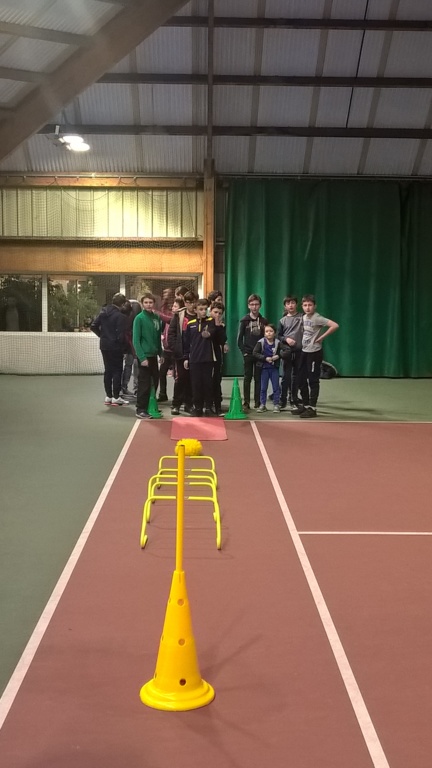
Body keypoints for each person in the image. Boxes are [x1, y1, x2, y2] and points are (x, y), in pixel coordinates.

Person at [297, 294, 339, 419]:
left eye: (310, 305)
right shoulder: (303, 317)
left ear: (314, 306)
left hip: (314, 353)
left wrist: (321, 337)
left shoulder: (317, 318)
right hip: (304, 351)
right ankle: (305, 405)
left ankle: (312, 408)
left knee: (313, 380)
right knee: (301, 378)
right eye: (305, 305)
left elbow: (335, 325)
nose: (307, 307)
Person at [183, 298, 223, 417]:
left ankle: (208, 408)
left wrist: (214, 329)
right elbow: (186, 342)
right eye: (201, 309)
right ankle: (197, 408)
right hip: (194, 359)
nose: (203, 311)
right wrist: (186, 357)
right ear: (195, 310)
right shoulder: (190, 324)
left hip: (208, 359)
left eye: (205, 309)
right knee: (196, 385)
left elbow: (217, 337)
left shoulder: (211, 322)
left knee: (208, 384)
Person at [90, 292, 130, 406]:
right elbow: (121, 335)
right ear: (122, 304)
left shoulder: (103, 312)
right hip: (116, 346)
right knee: (117, 370)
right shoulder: (121, 316)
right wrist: (124, 349)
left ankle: (108, 396)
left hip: (104, 345)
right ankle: (116, 397)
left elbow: (93, 326)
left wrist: (102, 336)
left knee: (108, 370)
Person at [132, 293, 164, 420]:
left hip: (154, 356)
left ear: (154, 303)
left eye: (151, 302)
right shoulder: (139, 318)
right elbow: (136, 340)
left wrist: (160, 353)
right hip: (144, 357)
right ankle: (140, 409)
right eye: (146, 302)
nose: (149, 305)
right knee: (144, 384)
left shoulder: (156, 318)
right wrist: (142, 357)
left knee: (155, 381)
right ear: (142, 304)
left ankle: (150, 404)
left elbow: (157, 338)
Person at [167, 290, 198, 415]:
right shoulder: (178, 315)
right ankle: (176, 404)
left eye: (193, 302)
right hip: (180, 354)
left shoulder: (199, 315)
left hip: (195, 355)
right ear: (185, 303)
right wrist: (176, 349)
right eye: (189, 302)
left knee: (191, 379)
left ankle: (188, 404)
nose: (191, 305)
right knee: (180, 379)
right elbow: (171, 334)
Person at [237, 294, 268, 412]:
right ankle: (246, 402)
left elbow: (267, 338)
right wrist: (244, 352)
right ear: (248, 306)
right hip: (248, 354)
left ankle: (258, 402)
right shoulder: (244, 321)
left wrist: (264, 352)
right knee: (247, 378)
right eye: (252, 304)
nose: (254, 307)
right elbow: (239, 339)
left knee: (258, 378)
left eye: (256, 304)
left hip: (259, 355)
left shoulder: (264, 321)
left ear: (260, 305)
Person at [277, 295, 304, 414]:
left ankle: (293, 399)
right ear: (285, 306)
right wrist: (286, 339)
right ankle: (282, 401)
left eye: (292, 303)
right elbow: (278, 336)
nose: (290, 305)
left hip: (299, 351)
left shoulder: (302, 317)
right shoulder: (282, 320)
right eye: (288, 303)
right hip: (287, 352)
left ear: (296, 304)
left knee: (296, 377)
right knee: (285, 377)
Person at [253, 324, 281, 413]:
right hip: (264, 369)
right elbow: (255, 353)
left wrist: (278, 356)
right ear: (264, 333)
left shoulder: (278, 342)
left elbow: (286, 351)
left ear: (275, 333)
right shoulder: (261, 342)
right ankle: (262, 405)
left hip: (274, 368)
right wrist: (265, 358)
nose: (269, 333)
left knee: (276, 387)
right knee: (263, 388)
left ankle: (276, 404)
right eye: (267, 331)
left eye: (271, 331)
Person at [155, 289, 175, 402]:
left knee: (177, 375)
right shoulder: (166, 310)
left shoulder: (174, 316)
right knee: (162, 372)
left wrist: (156, 312)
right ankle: (163, 394)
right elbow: (163, 310)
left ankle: (179, 397)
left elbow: (164, 316)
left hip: (175, 351)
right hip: (166, 351)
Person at [209, 301, 227, 416]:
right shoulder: (206, 323)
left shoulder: (221, 326)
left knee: (216, 381)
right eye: (215, 312)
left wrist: (218, 327)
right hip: (205, 356)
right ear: (210, 311)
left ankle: (218, 407)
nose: (217, 315)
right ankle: (207, 405)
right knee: (206, 381)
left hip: (216, 356)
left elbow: (222, 340)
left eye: (220, 313)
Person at [120, 299, 141, 399]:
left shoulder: (127, 319)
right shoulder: (131, 320)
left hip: (131, 344)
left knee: (130, 365)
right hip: (131, 345)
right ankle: (134, 389)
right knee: (133, 365)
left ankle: (125, 388)